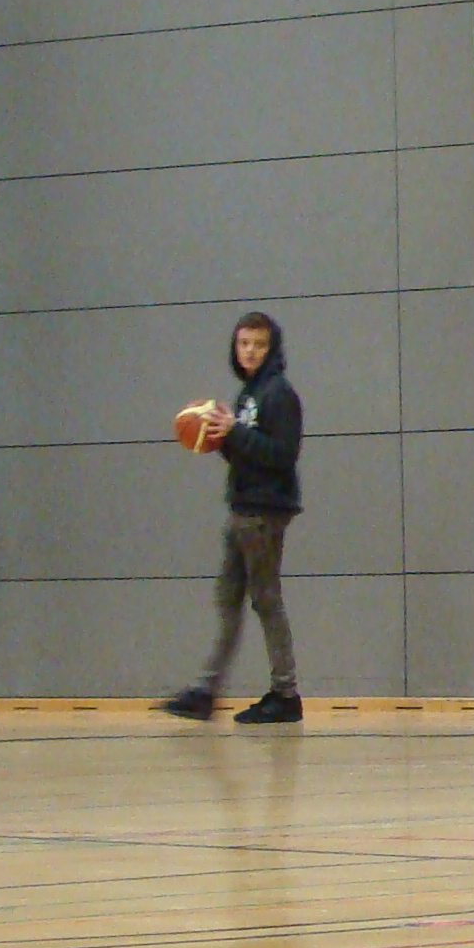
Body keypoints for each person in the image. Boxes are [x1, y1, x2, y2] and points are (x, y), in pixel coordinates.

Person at [160, 309, 305, 725]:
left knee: (266, 600)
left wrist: (235, 432)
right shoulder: (248, 395)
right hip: (242, 506)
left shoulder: (279, 394)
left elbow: (282, 455)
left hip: (265, 511)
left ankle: (286, 694)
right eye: (244, 343)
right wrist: (218, 437)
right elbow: (246, 452)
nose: (250, 351)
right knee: (227, 596)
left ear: (271, 349)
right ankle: (206, 690)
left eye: (259, 344)